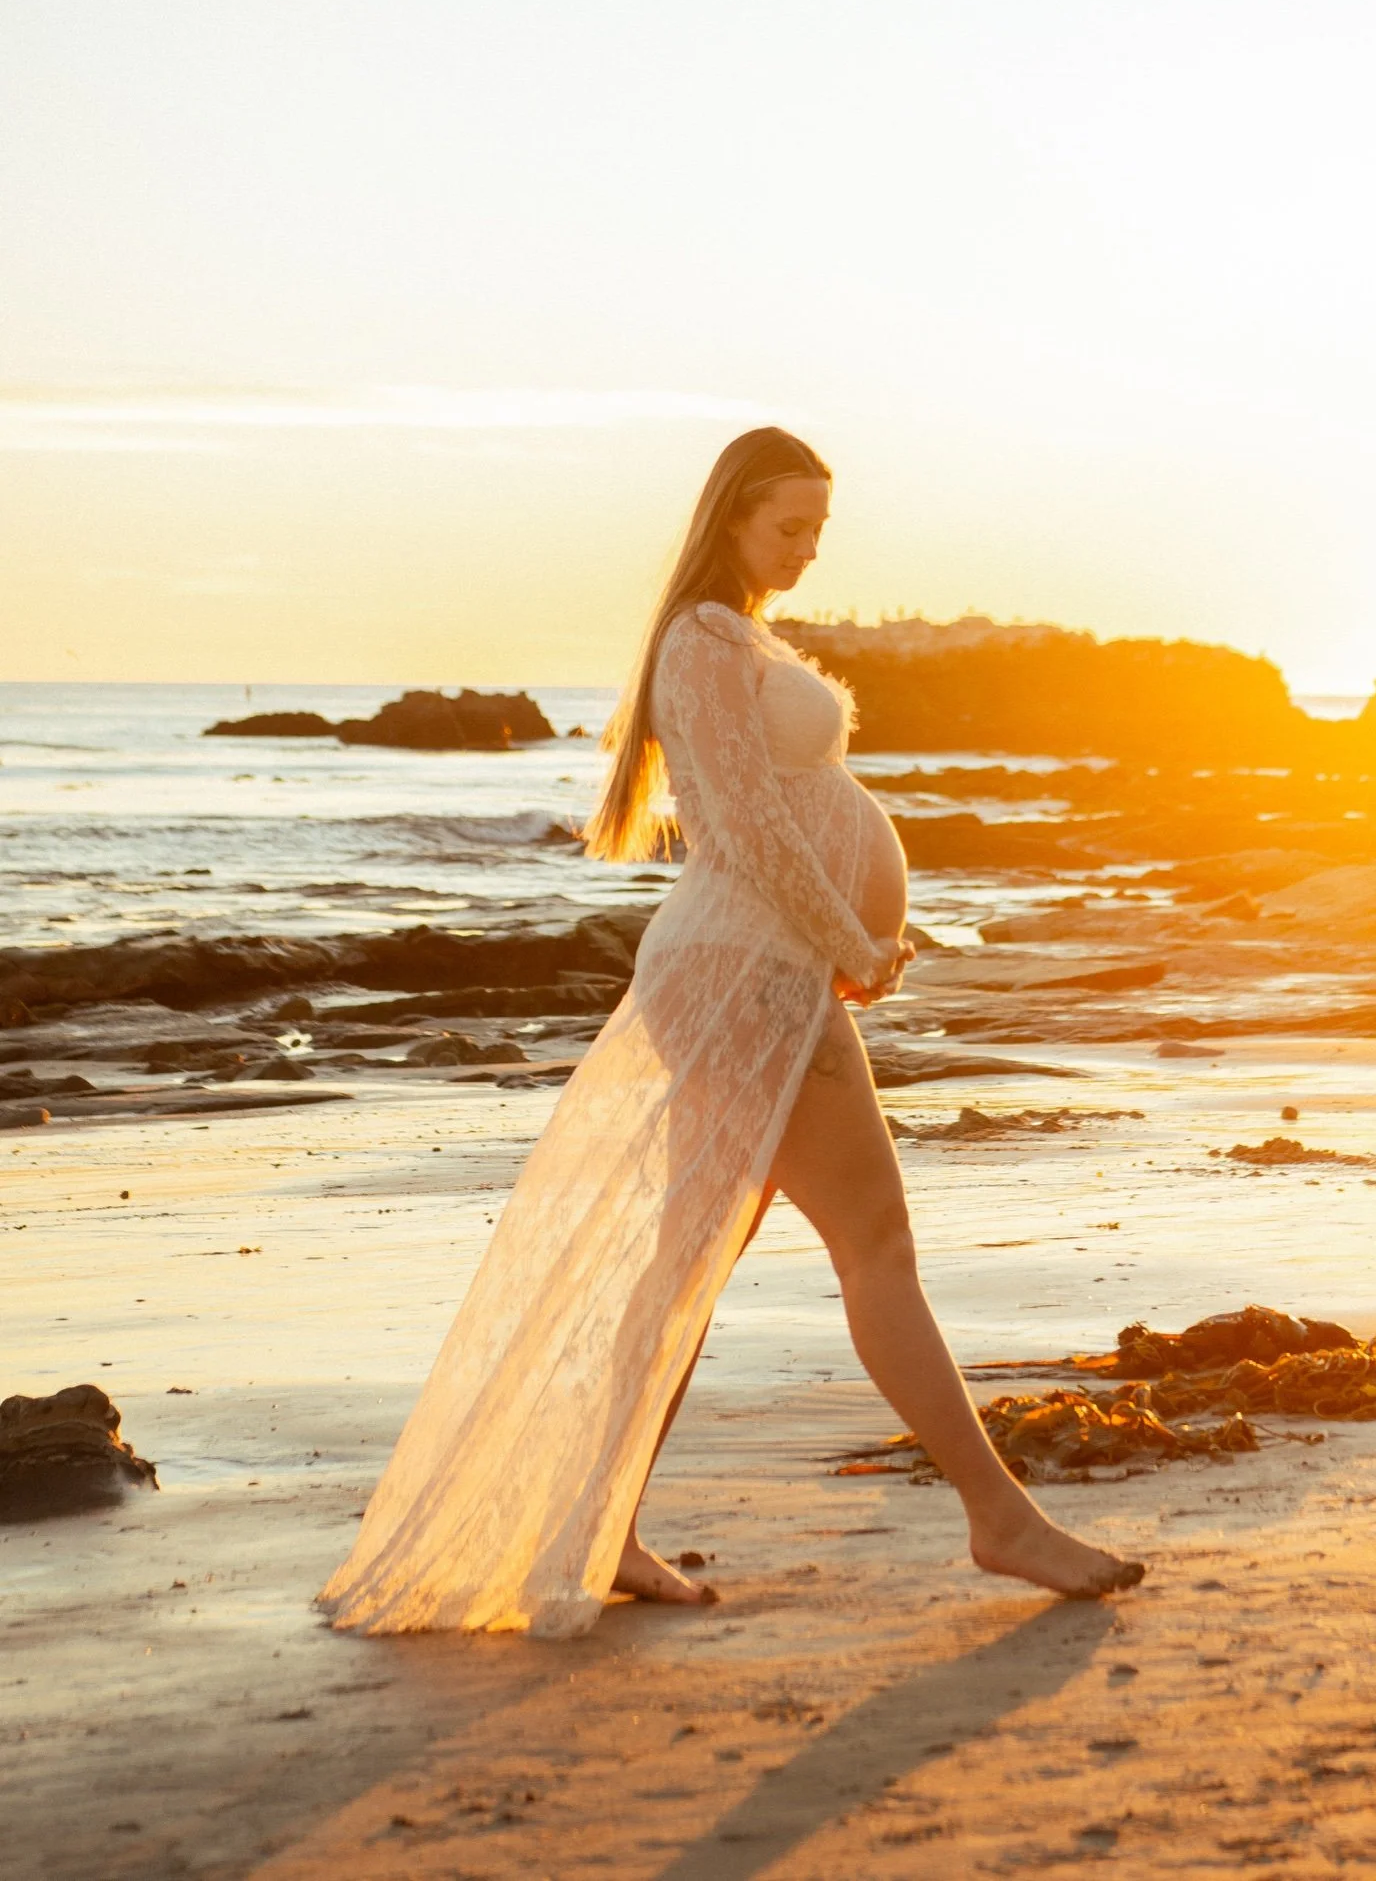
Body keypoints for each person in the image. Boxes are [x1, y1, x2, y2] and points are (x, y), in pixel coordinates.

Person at [320, 428, 1142, 1638]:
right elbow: (748, 832)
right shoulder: (699, 642)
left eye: (820, 528)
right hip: (745, 972)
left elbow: (783, 820)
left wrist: (845, 939)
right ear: (728, 521)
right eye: (786, 528)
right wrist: (854, 946)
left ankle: (603, 1532)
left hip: (760, 966)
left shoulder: (739, 638)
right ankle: (998, 1519)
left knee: (682, 1267)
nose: (808, 551)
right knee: (875, 1242)